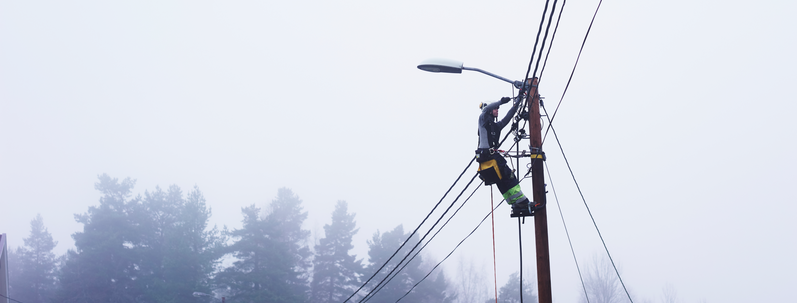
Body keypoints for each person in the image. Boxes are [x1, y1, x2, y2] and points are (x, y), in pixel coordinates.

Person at [476, 96, 534, 217]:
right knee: (510, 178)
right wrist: (501, 102)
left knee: (503, 182)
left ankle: (515, 203)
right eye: (495, 108)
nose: (497, 110)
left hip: (493, 159)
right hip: (489, 158)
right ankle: (522, 201)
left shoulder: (496, 126)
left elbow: (508, 116)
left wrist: (518, 101)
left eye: (498, 108)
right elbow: (488, 109)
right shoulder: (482, 119)